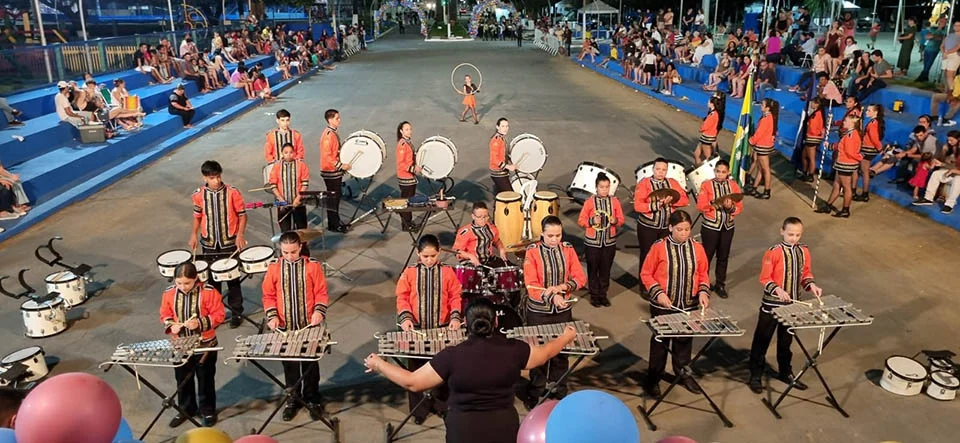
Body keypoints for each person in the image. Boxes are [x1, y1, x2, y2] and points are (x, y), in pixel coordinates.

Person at [364, 297, 577, 443]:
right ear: (495, 321)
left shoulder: (451, 356)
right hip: (503, 427)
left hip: (463, 430)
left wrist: (379, 364)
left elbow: (412, 382)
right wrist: (565, 337)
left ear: (466, 323)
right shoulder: (515, 350)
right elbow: (546, 352)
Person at [747, 217, 822, 394]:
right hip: (771, 305)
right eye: (790, 234)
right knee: (762, 340)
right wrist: (777, 290)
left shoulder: (804, 251)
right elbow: (764, 278)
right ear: (782, 231)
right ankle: (755, 375)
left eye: (797, 235)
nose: (793, 238)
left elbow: (806, 273)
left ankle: (785, 372)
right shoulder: (772, 252)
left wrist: (811, 285)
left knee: (786, 341)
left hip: (792, 305)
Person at [641, 210, 711, 397]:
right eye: (679, 229)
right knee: (660, 343)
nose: (684, 233)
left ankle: (682, 373)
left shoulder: (697, 248)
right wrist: (658, 293)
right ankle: (653, 378)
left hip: (688, 305)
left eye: (687, 229)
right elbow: (646, 274)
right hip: (663, 306)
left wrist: (703, 291)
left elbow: (703, 273)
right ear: (670, 228)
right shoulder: (658, 247)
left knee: (684, 342)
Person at [261, 231, 329, 421]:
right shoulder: (274, 268)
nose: (289, 256)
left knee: (310, 366)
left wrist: (318, 311)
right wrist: (272, 316)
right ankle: (293, 399)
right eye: (285, 252)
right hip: (285, 328)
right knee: (290, 366)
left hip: (308, 326)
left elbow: (321, 293)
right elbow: (268, 296)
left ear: (300, 248)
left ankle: (313, 398)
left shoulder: (313, 266)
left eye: (293, 251)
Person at [396, 234, 464, 424]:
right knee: (416, 371)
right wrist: (406, 318)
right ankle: (419, 410)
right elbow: (402, 298)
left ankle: (441, 405)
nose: (429, 260)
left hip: (440, 328)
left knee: (441, 370)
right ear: (418, 254)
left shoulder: (448, 272)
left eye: (433, 256)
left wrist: (455, 317)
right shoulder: (409, 273)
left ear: (439, 253)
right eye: (425, 256)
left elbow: (455, 297)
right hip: (416, 328)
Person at [522, 215, 585, 407]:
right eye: (550, 235)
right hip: (539, 312)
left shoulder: (568, 250)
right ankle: (536, 389)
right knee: (539, 353)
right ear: (542, 234)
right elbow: (532, 286)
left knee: (561, 351)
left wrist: (563, 288)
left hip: (562, 311)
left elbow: (580, 278)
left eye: (558, 235)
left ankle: (560, 386)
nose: (554, 239)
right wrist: (552, 296)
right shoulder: (532, 252)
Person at [160, 263, 225, 427]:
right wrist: (170, 325)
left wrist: (200, 323)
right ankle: (186, 409)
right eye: (179, 283)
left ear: (195, 279)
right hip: (180, 345)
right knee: (182, 381)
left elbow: (219, 314)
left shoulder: (209, 292)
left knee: (205, 380)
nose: (183, 287)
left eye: (187, 283)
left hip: (204, 345)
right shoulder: (169, 294)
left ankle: (208, 411)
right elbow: (165, 314)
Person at [189, 160, 247, 328]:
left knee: (233, 280)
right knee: (212, 282)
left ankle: (237, 313)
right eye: (212, 178)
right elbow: (197, 217)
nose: (216, 181)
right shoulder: (198, 195)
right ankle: (216, 315)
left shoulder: (232, 193)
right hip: (209, 243)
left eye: (218, 177)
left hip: (229, 242)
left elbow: (242, 215)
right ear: (205, 178)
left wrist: (240, 235)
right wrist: (193, 234)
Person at [634, 157, 689, 293]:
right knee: (647, 256)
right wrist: (654, 205)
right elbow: (638, 206)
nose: (660, 172)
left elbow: (685, 199)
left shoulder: (672, 183)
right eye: (658, 169)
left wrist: (673, 200)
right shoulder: (644, 183)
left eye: (663, 169)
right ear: (653, 169)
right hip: (648, 227)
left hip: (665, 227)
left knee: (663, 256)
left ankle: (660, 284)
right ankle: (644, 286)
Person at [696, 159, 743, 299]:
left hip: (727, 227)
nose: (720, 174)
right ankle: (701, 284)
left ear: (728, 172)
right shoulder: (707, 185)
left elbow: (740, 206)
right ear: (714, 171)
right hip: (710, 226)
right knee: (706, 257)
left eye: (723, 172)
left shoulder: (734, 186)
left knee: (723, 257)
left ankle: (720, 284)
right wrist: (715, 204)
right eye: (718, 171)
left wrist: (731, 208)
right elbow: (701, 205)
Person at [577, 173, 624, 307]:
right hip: (592, 243)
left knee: (605, 270)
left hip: (609, 242)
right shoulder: (589, 202)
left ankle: (603, 295)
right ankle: (594, 295)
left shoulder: (614, 201)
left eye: (607, 187)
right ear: (596, 187)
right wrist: (592, 221)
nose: (605, 190)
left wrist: (616, 221)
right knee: (593, 269)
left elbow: (621, 219)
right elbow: (581, 220)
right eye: (602, 187)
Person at [816, 114, 863, 218]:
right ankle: (828, 205)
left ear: (852, 123)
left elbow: (850, 151)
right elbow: (842, 146)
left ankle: (845, 210)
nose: (844, 122)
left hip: (846, 164)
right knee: (837, 185)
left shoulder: (851, 135)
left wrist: (859, 157)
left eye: (846, 121)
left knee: (846, 188)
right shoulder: (850, 133)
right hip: (842, 163)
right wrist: (830, 146)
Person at [269, 142, 311, 238]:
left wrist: (298, 198)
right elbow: (273, 185)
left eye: (291, 152)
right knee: (285, 231)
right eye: (286, 152)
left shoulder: (301, 165)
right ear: (282, 154)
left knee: (301, 230)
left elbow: (305, 184)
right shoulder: (277, 166)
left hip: (298, 203)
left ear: (294, 153)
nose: (289, 154)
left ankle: (303, 250)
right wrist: (280, 199)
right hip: (282, 204)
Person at [319, 109, 351, 233]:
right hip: (330, 171)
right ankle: (334, 224)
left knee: (335, 198)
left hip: (333, 170)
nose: (339, 120)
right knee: (333, 199)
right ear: (330, 120)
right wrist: (341, 166)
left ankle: (335, 222)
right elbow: (328, 156)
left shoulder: (331, 133)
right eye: (337, 118)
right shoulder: (328, 135)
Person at [454, 201, 508, 267]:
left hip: (488, 260)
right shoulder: (465, 232)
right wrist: (470, 256)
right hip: (471, 262)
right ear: (473, 216)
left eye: (486, 216)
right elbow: (456, 251)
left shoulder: (492, 228)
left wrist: (501, 248)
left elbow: (496, 241)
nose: (483, 219)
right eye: (480, 217)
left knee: (510, 269)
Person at [746, 98, 779, 199]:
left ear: (767, 108)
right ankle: (754, 187)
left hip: (763, 145)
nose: (761, 106)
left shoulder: (766, 119)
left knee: (765, 169)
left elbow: (759, 133)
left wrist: (751, 141)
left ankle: (767, 191)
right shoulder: (769, 117)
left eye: (763, 104)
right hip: (764, 145)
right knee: (760, 168)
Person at [853, 104, 885, 202]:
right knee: (864, 171)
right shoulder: (874, 122)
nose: (867, 112)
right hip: (868, 148)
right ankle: (861, 192)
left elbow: (874, 138)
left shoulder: (873, 123)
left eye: (869, 110)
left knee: (864, 171)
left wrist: (880, 148)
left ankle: (864, 193)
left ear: (876, 112)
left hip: (868, 149)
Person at [396, 121, 422, 232]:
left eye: (410, 129)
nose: (409, 131)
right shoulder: (402, 145)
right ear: (401, 131)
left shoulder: (407, 142)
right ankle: (406, 224)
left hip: (409, 176)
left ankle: (408, 222)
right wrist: (413, 169)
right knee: (407, 202)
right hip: (405, 177)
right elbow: (401, 163)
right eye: (406, 129)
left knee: (409, 201)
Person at [799, 98, 827, 182]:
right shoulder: (818, 113)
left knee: (811, 157)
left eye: (813, 103)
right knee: (804, 155)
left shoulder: (817, 114)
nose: (811, 104)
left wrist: (809, 126)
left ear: (817, 104)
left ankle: (810, 174)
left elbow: (813, 128)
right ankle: (805, 172)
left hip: (812, 137)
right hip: (812, 136)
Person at [488, 118, 517, 195]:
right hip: (498, 172)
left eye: (507, 126)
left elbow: (503, 154)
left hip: (502, 171)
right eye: (503, 126)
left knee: (501, 196)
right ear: (497, 127)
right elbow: (495, 159)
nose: (505, 128)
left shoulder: (502, 138)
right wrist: (508, 167)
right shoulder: (496, 140)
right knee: (511, 196)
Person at [695, 95, 724, 165]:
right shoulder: (713, 113)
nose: (707, 103)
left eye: (709, 102)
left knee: (708, 158)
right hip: (705, 136)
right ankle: (698, 168)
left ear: (712, 104)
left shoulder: (713, 114)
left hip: (707, 137)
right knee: (696, 154)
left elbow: (706, 125)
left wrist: (701, 128)